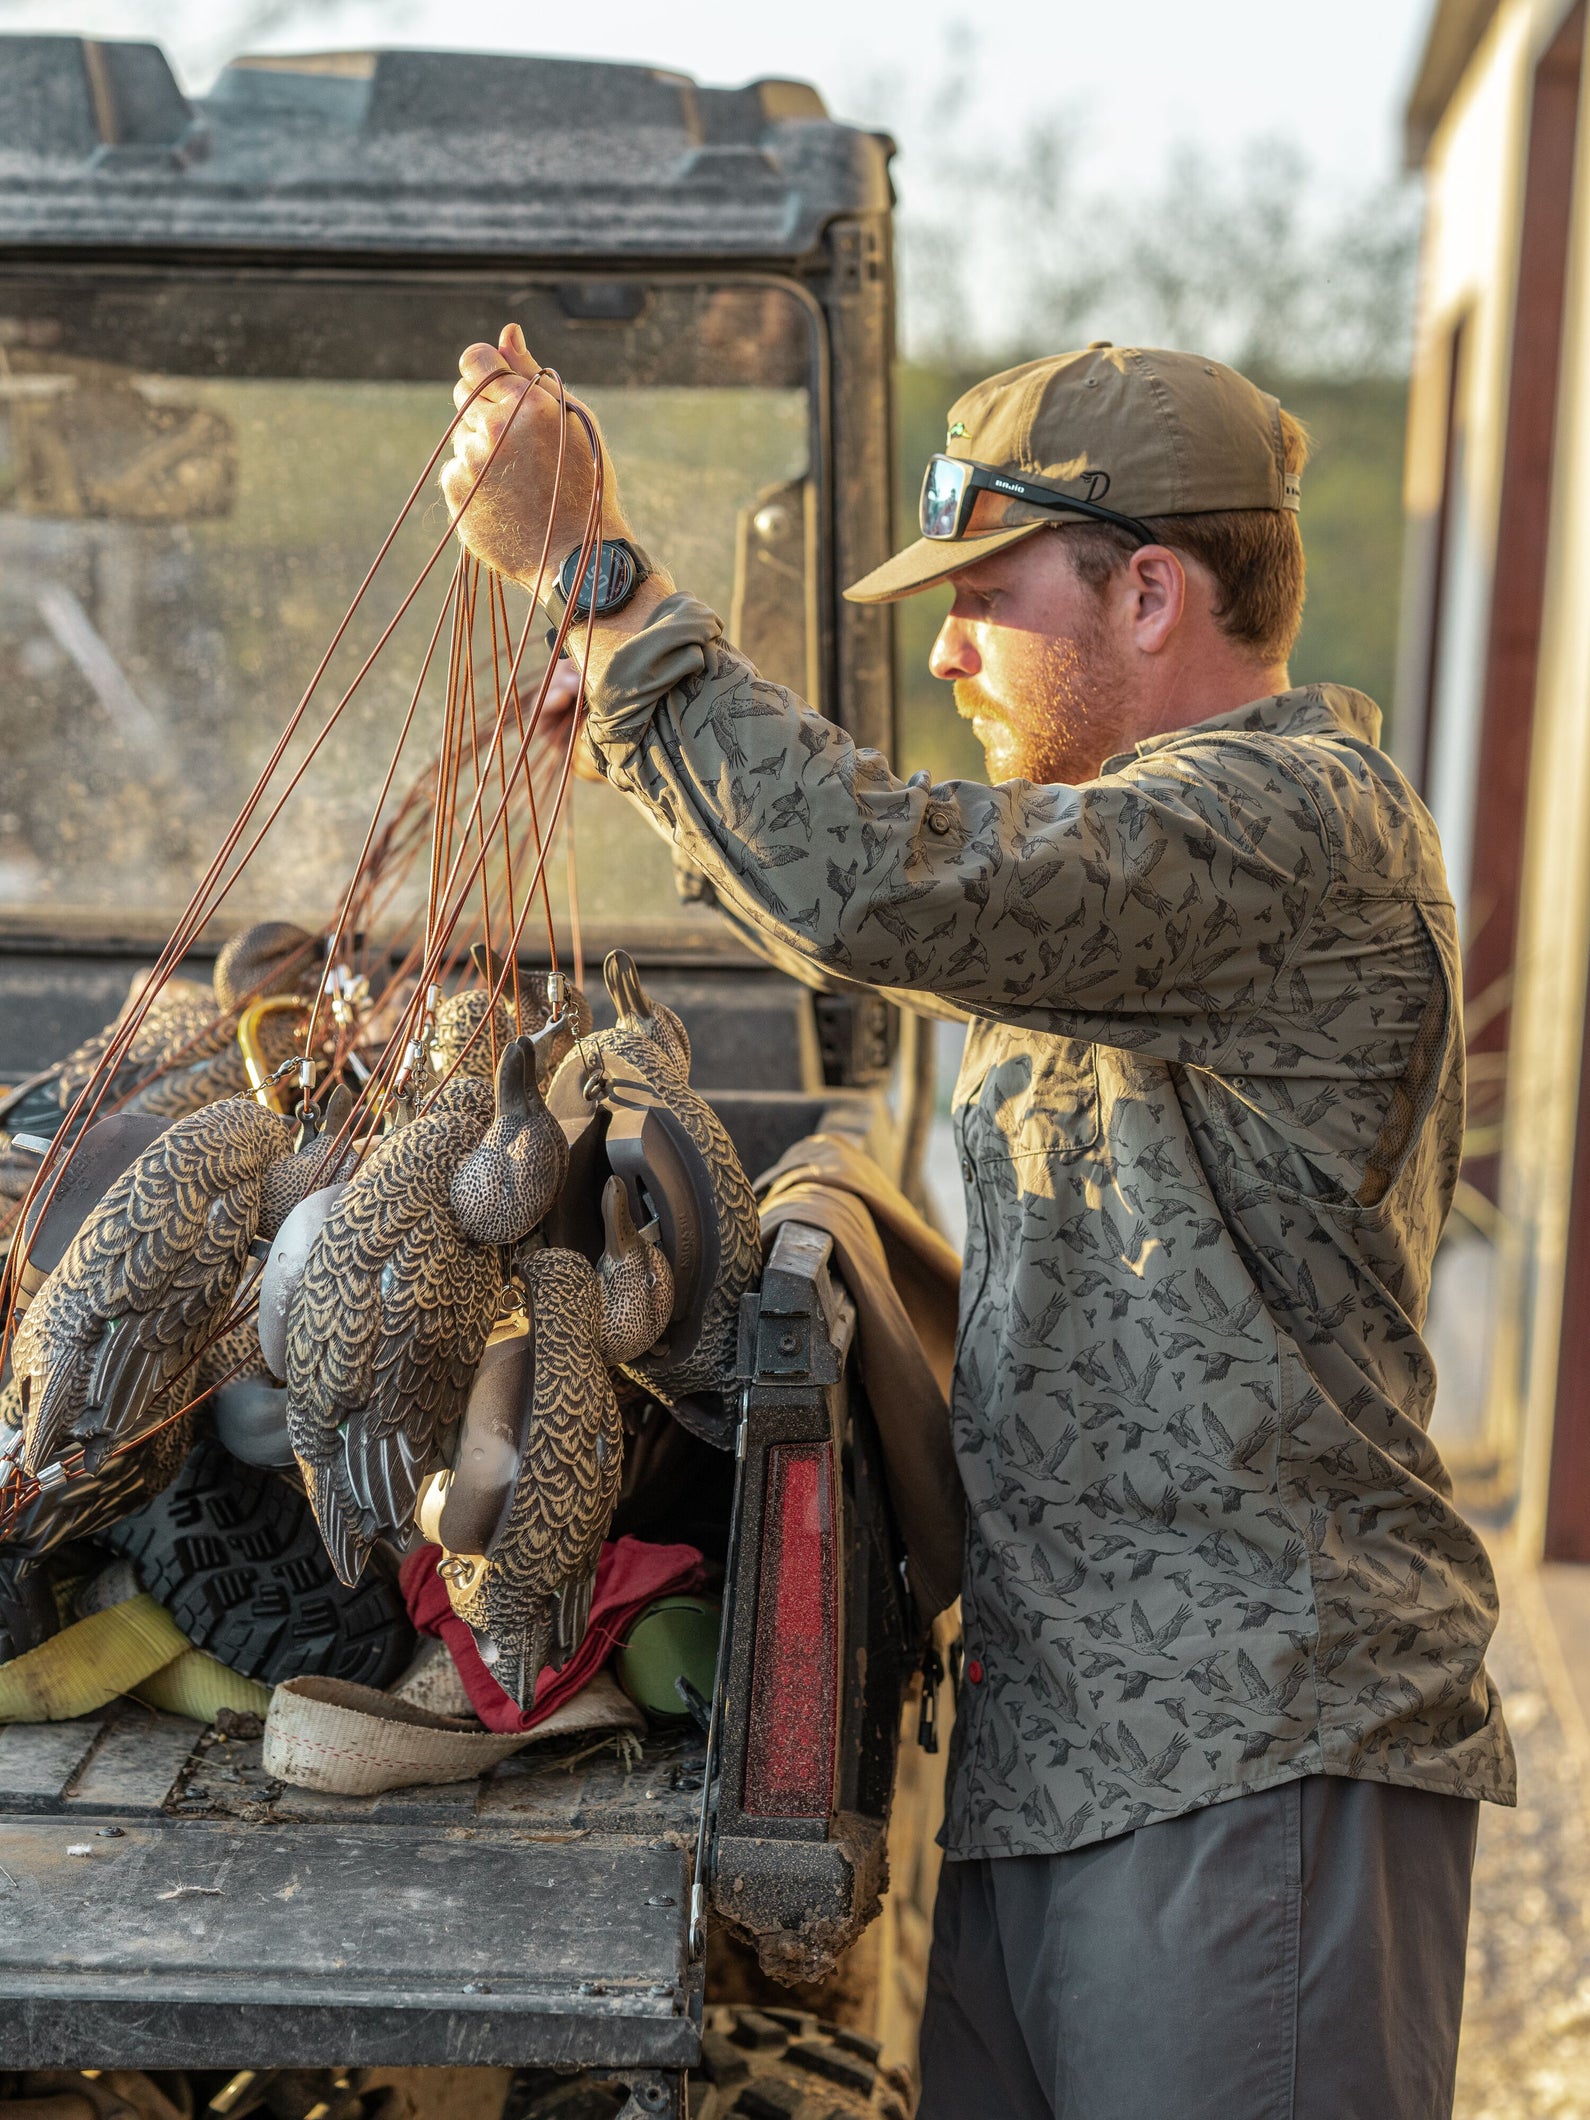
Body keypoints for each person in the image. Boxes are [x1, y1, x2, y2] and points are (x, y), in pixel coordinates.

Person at [441, 327, 1515, 2120]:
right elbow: (909, 902)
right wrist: (647, 742)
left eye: (983, 597)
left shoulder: (1287, 825)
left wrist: (600, 581)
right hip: (1076, 1759)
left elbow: (887, 879)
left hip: (1248, 1761)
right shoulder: (1142, 864)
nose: (942, 647)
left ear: (1151, 589)